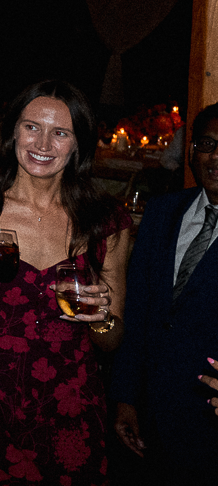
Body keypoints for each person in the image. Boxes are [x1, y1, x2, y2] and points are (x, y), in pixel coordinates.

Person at [0, 80, 131, 486]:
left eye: (60, 133)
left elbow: (112, 340)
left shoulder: (106, 222)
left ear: (78, 144)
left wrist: (100, 317)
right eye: (31, 126)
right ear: (12, 131)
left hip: (69, 406)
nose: (43, 143)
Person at [111, 101, 218, 480]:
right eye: (207, 144)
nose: (216, 157)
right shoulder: (162, 212)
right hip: (146, 418)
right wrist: (124, 396)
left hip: (208, 426)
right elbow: (135, 307)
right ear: (191, 152)